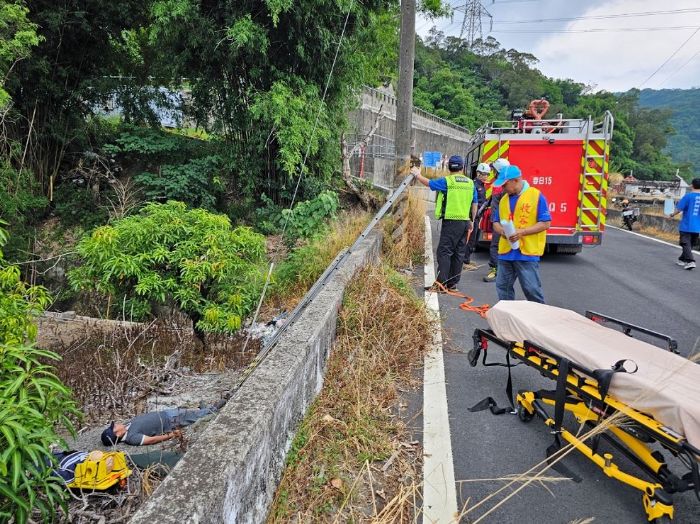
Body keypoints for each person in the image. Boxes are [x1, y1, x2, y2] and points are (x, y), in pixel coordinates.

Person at [414, 155, 478, 289]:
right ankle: (452, 284)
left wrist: (417, 175)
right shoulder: (470, 183)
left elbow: (430, 184)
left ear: (449, 167)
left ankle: (441, 284)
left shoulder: (448, 181)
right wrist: (471, 220)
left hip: (451, 222)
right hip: (465, 222)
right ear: (462, 167)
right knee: (459, 253)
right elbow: (474, 204)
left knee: (444, 252)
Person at [491, 165, 551, 303]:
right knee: (502, 288)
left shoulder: (536, 196)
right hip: (506, 252)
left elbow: (545, 223)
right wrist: (503, 232)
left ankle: (537, 321)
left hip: (526, 253)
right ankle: (508, 320)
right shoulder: (504, 199)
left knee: (532, 290)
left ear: (516, 181)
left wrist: (522, 232)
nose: (503, 188)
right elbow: (496, 223)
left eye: (504, 185)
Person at [101, 401, 226, 446]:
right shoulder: (132, 438)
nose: (116, 424)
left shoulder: (127, 426)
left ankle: (202, 410)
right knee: (189, 416)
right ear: (117, 434)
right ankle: (212, 410)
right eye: (114, 427)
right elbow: (152, 440)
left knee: (186, 411)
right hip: (170, 421)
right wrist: (172, 435)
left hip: (166, 414)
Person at [483, 158, 510, 282]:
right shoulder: (502, 183)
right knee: (500, 246)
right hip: (500, 220)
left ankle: (495, 270)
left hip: (501, 222)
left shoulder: (503, 186)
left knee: (495, 246)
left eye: (494, 170)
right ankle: (502, 271)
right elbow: (494, 199)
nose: (492, 172)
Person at [463, 162, 490, 269]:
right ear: (478, 173)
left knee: (473, 239)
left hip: (478, 216)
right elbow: (472, 202)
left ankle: (467, 259)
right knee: (470, 238)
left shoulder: (482, 186)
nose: (486, 176)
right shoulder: (474, 185)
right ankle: (464, 261)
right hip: (473, 217)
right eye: (484, 174)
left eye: (487, 174)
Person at [669, 178, 700, 270]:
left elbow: (679, 209)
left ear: (692, 185)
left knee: (685, 242)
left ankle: (690, 261)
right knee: (689, 244)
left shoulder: (688, 196)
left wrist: (672, 215)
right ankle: (682, 259)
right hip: (697, 226)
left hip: (687, 225)